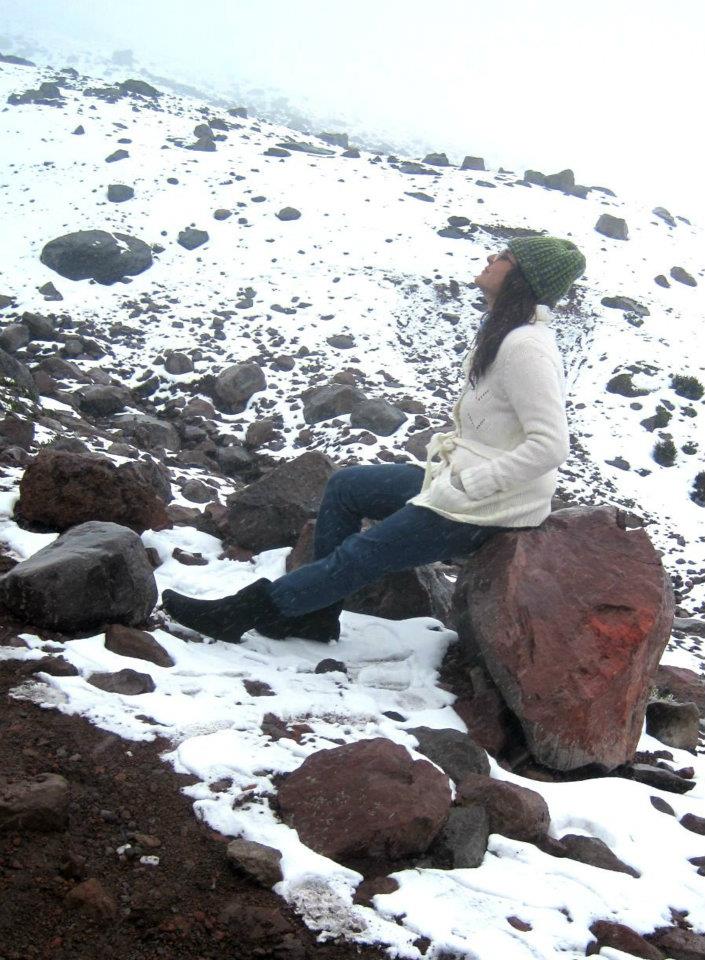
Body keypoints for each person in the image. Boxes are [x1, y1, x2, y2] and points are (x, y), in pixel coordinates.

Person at [163, 236, 586, 644]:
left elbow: (551, 445)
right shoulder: (505, 332)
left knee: (366, 552)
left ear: (522, 279)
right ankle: (315, 617)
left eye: (505, 257)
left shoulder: (527, 347)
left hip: (492, 504)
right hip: (459, 477)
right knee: (346, 487)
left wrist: (469, 485)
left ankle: (237, 615)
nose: (492, 258)